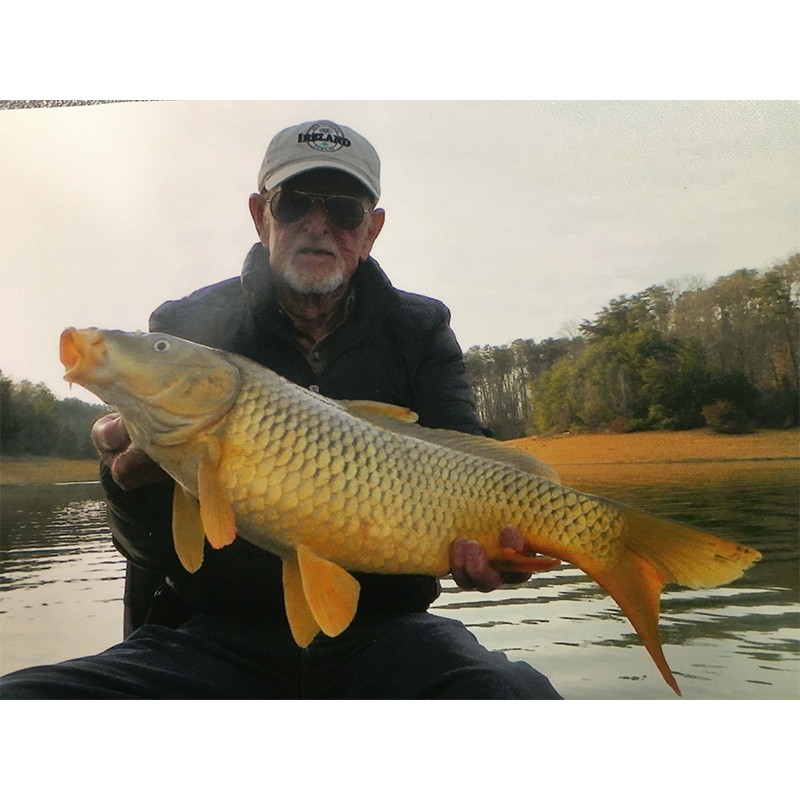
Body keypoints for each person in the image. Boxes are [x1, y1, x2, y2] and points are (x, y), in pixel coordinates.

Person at [1, 120, 561, 699]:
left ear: (371, 231)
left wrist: (506, 554)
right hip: (211, 640)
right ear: (260, 216)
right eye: (294, 204)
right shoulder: (189, 328)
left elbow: (474, 464)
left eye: (344, 212)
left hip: (388, 636)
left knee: (518, 698)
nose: (317, 227)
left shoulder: (420, 331)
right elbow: (152, 553)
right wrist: (126, 487)